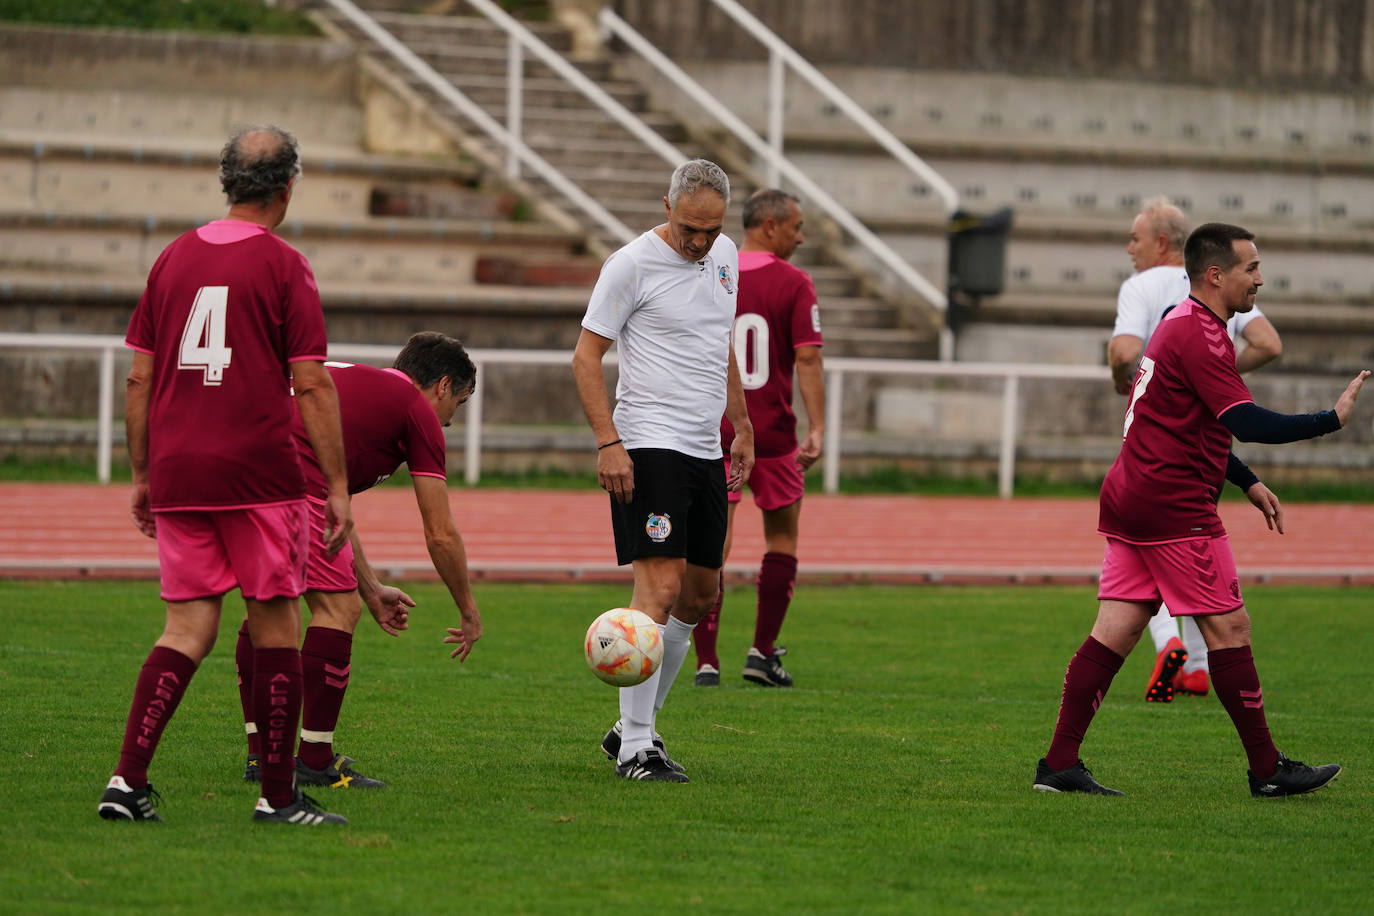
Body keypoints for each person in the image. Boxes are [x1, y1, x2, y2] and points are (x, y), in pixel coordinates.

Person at [1034, 222, 1368, 797]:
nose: (1260, 279)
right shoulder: (1202, 336)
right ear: (1216, 274)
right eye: (1251, 268)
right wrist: (1329, 421)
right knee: (1229, 626)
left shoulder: (1184, 325)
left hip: (1133, 494)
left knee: (1115, 629)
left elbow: (1189, 425)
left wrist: (1245, 480)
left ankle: (1059, 764)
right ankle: (1267, 770)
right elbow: (1245, 421)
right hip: (1172, 505)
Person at [98, 125, 354, 825]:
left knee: (185, 628)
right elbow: (312, 384)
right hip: (257, 475)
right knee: (276, 627)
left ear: (226, 181)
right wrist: (334, 485)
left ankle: (126, 780)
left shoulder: (172, 258)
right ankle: (277, 797)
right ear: (289, 185)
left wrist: (143, 472)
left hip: (178, 468)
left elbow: (139, 377)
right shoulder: (285, 264)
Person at [571, 159, 755, 782]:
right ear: (667, 207)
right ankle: (638, 748)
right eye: (688, 229)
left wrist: (743, 426)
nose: (699, 242)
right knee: (661, 590)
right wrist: (608, 442)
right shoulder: (630, 264)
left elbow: (719, 342)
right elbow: (585, 356)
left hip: (706, 447)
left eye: (711, 230)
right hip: (649, 444)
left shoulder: (725, 255)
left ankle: (629, 726)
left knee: (701, 597)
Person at [233, 332, 484, 790]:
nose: (449, 421)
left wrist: (370, 588)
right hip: (287, 482)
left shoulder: (358, 383)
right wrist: (468, 610)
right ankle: (313, 759)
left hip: (238, 470)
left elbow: (334, 513)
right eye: (459, 404)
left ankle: (262, 754)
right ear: (443, 386)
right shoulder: (414, 408)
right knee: (336, 610)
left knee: (270, 605)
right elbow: (440, 533)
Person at [1108, 197, 1283, 703]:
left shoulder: (1147, 288)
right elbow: (1270, 344)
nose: (1130, 249)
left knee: (1156, 558)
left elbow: (1123, 351)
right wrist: (1219, 381)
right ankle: (1201, 667)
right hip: (1205, 451)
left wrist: (1135, 377)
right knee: (1197, 564)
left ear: (1162, 243)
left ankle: (1170, 647)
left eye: (1135, 240)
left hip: (1157, 448)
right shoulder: (1219, 290)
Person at [690, 189, 824, 689]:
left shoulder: (708, 271)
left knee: (711, 544)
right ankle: (761, 653)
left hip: (716, 427)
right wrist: (818, 426)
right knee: (782, 538)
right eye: (795, 226)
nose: (801, 235)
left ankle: (706, 659)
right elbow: (808, 357)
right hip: (772, 431)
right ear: (769, 226)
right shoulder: (793, 282)